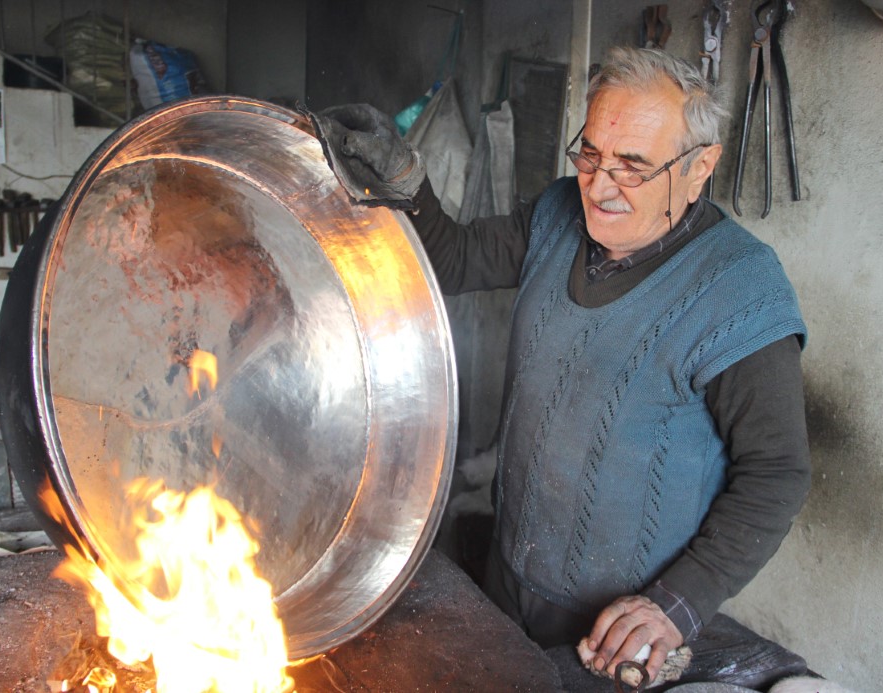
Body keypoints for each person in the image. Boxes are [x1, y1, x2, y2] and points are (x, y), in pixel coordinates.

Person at [312, 46, 811, 683]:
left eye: (632, 168)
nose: (599, 188)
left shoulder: (739, 291)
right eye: (591, 156)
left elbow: (776, 474)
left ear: (699, 168)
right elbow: (455, 259)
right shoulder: (555, 215)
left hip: (610, 637)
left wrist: (677, 605)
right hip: (508, 578)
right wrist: (406, 183)